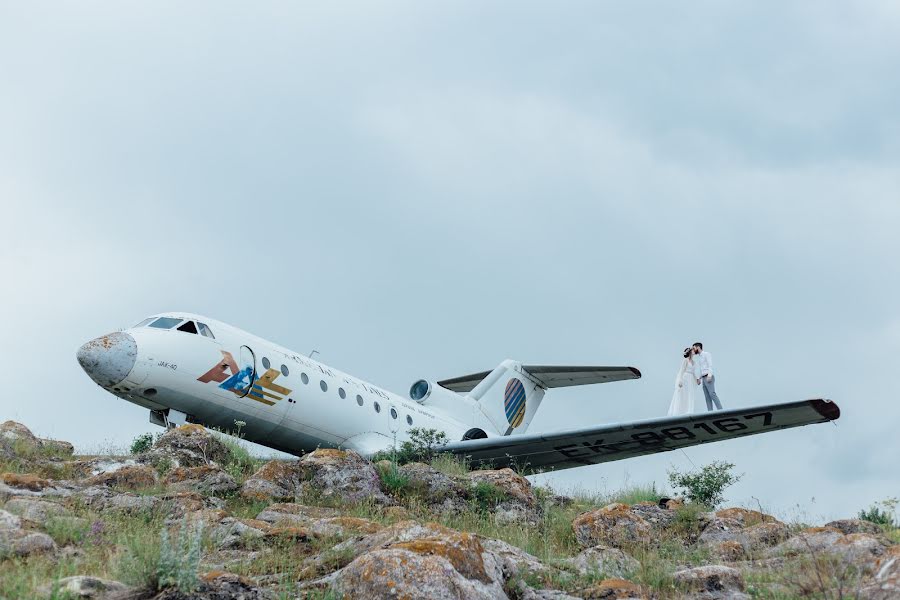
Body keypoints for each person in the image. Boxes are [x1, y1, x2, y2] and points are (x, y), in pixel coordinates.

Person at [668, 347, 700, 416]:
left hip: (691, 380)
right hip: (685, 378)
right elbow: (681, 371)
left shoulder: (694, 362)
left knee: (690, 394)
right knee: (683, 394)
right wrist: (680, 380)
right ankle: (680, 412)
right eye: (693, 350)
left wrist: (697, 379)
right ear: (690, 352)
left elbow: (694, 372)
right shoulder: (685, 360)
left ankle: (689, 411)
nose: (694, 351)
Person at [693, 342, 723, 411]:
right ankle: (710, 412)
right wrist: (698, 378)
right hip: (703, 378)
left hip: (708, 377)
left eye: (694, 348)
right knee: (707, 397)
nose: (693, 350)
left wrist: (709, 375)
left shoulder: (706, 354)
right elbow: (701, 370)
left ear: (698, 347)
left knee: (712, 394)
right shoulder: (699, 357)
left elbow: (710, 365)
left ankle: (721, 410)